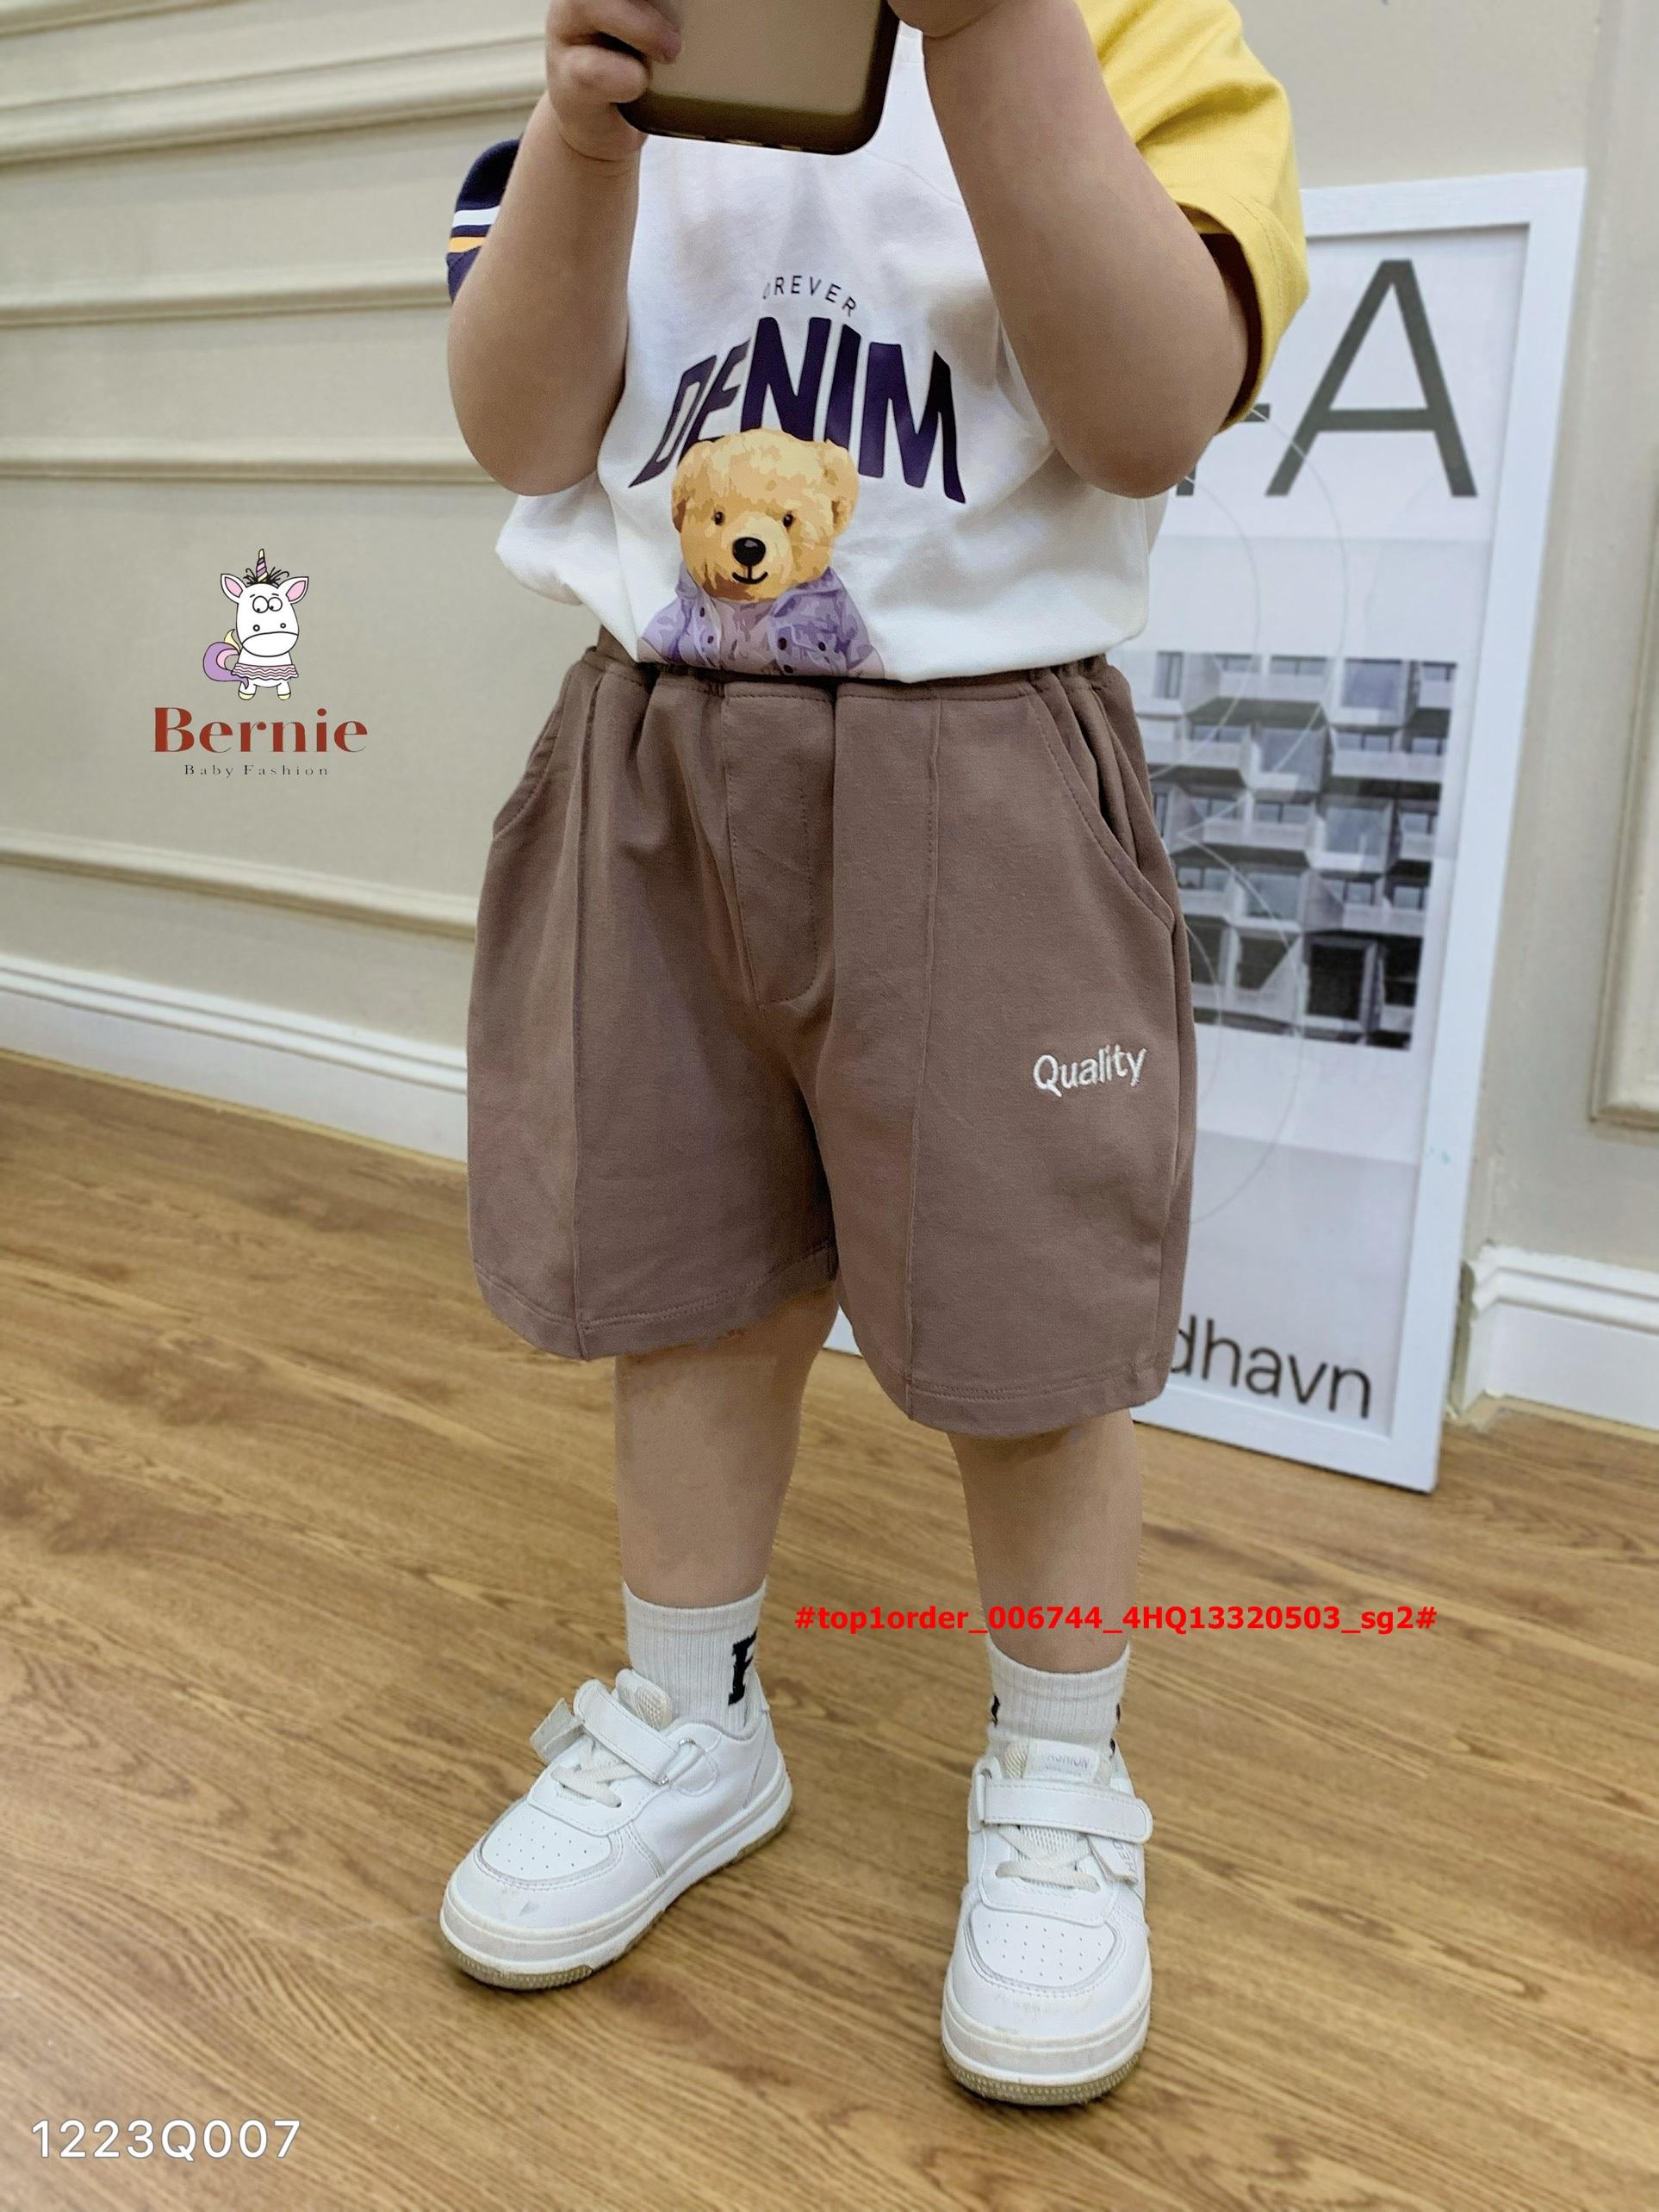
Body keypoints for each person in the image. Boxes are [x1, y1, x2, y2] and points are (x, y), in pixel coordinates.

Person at [438, 0, 1306, 2105]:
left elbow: (1146, 414)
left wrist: (996, 35)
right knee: (687, 1276)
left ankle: (1060, 1771)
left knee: (1028, 1318)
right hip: (657, 753)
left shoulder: (1142, 31)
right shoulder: (642, 53)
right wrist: (581, 129)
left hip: (980, 765)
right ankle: (690, 1713)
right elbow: (521, 428)